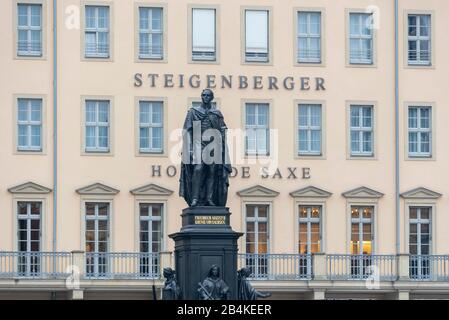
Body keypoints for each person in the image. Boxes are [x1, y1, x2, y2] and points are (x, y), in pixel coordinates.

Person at [179, 89, 232, 207]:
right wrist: (189, 148)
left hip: (213, 145)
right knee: (198, 169)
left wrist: (223, 136)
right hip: (198, 144)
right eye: (203, 95)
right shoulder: (193, 112)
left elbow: (222, 128)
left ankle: (209, 198)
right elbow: (187, 130)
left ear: (212, 98)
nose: (205, 97)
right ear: (201, 97)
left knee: (211, 172)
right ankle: (195, 199)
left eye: (208, 95)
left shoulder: (216, 113)